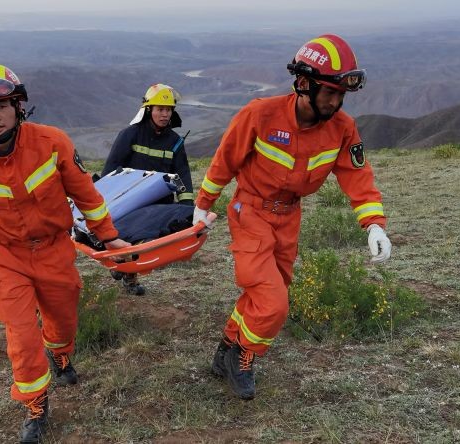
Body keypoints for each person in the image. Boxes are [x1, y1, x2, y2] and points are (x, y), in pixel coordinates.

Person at [0, 61, 130, 443]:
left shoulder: (52, 142)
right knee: (21, 333)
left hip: (54, 251)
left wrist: (109, 237)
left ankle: (60, 354)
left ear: (18, 107)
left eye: (0, 107)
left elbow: (86, 194)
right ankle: (35, 403)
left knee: (61, 321)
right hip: (5, 258)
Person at [192, 35, 392, 400]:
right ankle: (244, 357)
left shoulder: (342, 127)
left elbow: (357, 176)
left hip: (289, 218)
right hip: (249, 211)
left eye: (340, 94)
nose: (335, 101)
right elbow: (225, 161)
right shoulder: (260, 114)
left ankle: (224, 352)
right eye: (329, 92)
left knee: (264, 295)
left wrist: (374, 223)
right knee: (273, 304)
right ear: (303, 84)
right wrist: (203, 205)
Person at [100, 83, 194, 295]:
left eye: (168, 110)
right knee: (128, 238)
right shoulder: (130, 135)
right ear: (149, 109)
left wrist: (187, 206)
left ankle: (125, 270)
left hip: (159, 203)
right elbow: (111, 169)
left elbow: (183, 174)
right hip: (129, 200)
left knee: (145, 242)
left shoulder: (175, 142)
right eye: (160, 109)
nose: (164, 114)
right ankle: (127, 274)